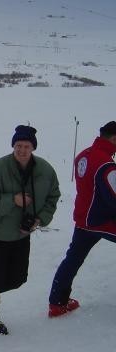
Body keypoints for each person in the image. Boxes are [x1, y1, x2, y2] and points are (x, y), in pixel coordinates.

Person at [0, 125, 60, 334]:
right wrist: (12, 199)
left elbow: (53, 197)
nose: (22, 150)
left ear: (33, 148)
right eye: (18, 145)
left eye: (27, 146)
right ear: (13, 146)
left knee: (18, 278)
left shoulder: (45, 170)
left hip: (22, 233)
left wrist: (40, 219)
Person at [48, 121, 116, 317]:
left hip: (83, 219)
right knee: (73, 258)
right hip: (101, 221)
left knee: (73, 259)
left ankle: (57, 302)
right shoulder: (107, 164)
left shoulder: (83, 155)